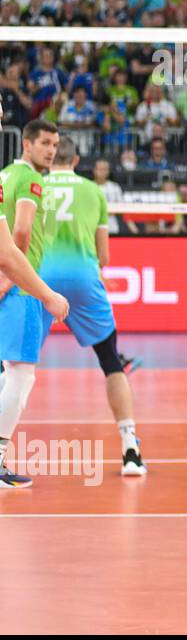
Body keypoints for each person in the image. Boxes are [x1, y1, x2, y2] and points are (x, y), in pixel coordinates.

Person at [37, 138, 146, 474]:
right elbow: (105, 257)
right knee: (112, 363)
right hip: (83, 278)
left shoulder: (34, 183)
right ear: (77, 160)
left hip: (38, 277)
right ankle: (130, 451)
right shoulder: (94, 191)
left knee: (11, 367)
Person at [0, 120, 71, 488]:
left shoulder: (5, 174)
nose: (51, 150)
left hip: (11, 284)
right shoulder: (30, 180)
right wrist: (12, 280)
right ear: (26, 144)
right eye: (45, 142)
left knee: (8, 373)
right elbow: (21, 233)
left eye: (55, 144)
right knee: (21, 375)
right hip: (20, 288)